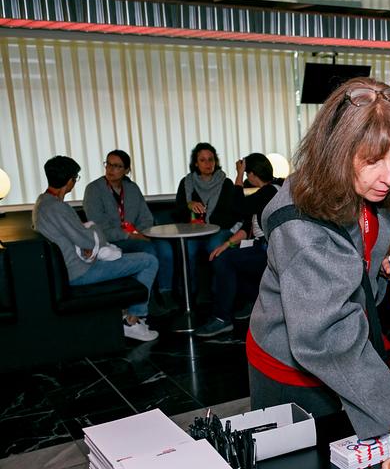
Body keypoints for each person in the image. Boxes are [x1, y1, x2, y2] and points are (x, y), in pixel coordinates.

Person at [246, 77, 390, 469]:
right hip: (290, 369)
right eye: (373, 160)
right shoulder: (302, 228)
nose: (389, 176)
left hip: (342, 353)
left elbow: (350, 274)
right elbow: (326, 339)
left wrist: (376, 274)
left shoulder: (365, 192)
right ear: (337, 152)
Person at [33, 156, 160, 342]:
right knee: (149, 260)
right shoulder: (57, 208)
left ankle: (127, 313)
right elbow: (89, 240)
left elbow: (80, 237)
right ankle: (132, 321)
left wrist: (87, 236)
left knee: (136, 254)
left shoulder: (43, 203)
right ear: (70, 181)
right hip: (79, 272)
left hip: (73, 266)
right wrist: (92, 229)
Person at [194, 153, 279, 337]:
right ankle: (253, 302)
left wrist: (239, 175)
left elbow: (237, 206)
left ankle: (221, 318)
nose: (247, 178)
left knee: (224, 262)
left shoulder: (270, 191)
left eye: (248, 174)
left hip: (270, 251)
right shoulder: (269, 192)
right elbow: (248, 225)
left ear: (253, 174)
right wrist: (226, 245)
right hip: (261, 246)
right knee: (222, 256)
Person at [83, 149, 176, 312]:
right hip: (109, 242)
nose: (111, 169)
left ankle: (165, 292)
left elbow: (146, 217)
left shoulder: (132, 188)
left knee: (166, 248)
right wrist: (131, 235)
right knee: (148, 250)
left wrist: (140, 233)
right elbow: (99, 226)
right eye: (108, 164)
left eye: (117, 166)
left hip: (136, 237)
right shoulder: (94, 189)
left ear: (126, 170)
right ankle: (148, 299)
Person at [174, 142, 241, 297]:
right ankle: (188, 296)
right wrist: (189, 205)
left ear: (215, 162)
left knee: (215, 246)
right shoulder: (186, 183)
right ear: (196, 163)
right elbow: (178, 212)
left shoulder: (226, 183)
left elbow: (232, 214)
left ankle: (219, 294)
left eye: (211, 159)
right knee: (187, 250)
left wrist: (210, 223)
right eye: (203, 160)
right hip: (193, 232)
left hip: (219, 230)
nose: (207, 164)